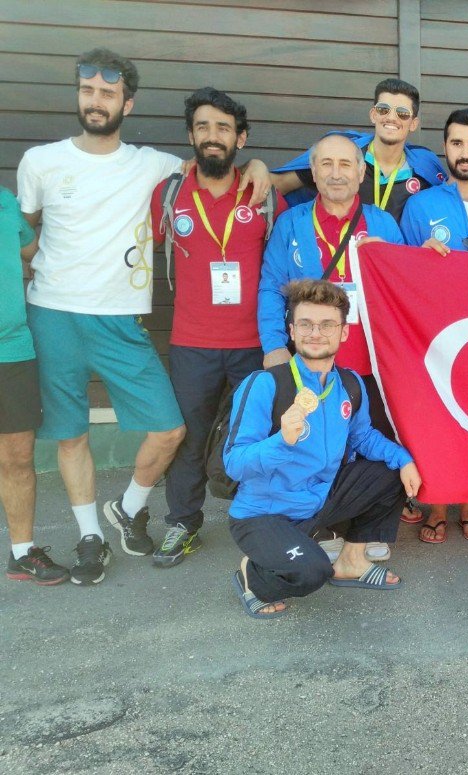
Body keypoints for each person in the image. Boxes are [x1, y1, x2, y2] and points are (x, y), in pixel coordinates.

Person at [16, 49, 271, 585]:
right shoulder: (42, 162)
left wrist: (262, 167)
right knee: (71, 435)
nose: (96, 101)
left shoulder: (158, 168)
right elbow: (22, 238)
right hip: (58, 315)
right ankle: (97, 535)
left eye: (108, 93)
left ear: (127, 103)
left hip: (131, 323)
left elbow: (238, 171)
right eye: (88, 90)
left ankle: (135, 506)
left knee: (176, 428)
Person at [148, 87, 287, 568]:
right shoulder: (168, 194)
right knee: (190, 436)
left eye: (223, 128)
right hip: (192, 344)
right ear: (191, 135)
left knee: (260, 436)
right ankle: (182, 524)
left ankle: (264, 525)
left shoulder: (263, 195)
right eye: (203, 127)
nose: (212, 136)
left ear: (240, 139)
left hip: (254, 344)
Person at [225, 279, 421, 618]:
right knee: (311, 573)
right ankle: (251, 576)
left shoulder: (349, 383)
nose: (316, 333)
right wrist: (281, 440)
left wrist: (403, 460)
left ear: (343, 332)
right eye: (306, 324)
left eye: (327, 324)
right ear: (292, 330)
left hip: (320, 501)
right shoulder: (264, 383)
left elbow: (362, 438)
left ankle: (351, 562)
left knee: (390, 473)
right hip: (264, 513)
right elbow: (235, 464)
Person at [259, 132, 406, 561]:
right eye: (326, 164)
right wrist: (273, 345)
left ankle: (366, 532)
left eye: (346, 164)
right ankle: (318, 527)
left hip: (370, 363)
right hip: (312, 361)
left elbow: (406, 286)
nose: (337, 173)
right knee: (311, 447)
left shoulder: (382, 224)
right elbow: (270, 287)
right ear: (314, 172)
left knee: (372, 443)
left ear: (362, 171)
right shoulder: (291, 224)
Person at [400, 108, 468, 544]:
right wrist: (418, 256)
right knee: (437, 421)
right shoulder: (419, 205)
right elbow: (398, 270)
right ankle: (437, 503)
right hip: (432, 335)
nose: (465, 153)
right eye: (457, 143)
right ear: (445, 148)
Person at [271, 78, 468, 215]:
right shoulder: (343, 156)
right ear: (373, 114)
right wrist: (256, 167)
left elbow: (454, 189)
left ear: (413, 123)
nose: (391, 118)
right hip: (341, 268)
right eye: (384, 110)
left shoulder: (425, 164)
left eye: (402, 113)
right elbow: (278, 184)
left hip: (390, 276)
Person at [1, 185, 69, 585]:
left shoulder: (6, 203)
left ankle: (22, 552)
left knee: (17, 458)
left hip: (11, 349)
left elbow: (35, 252)